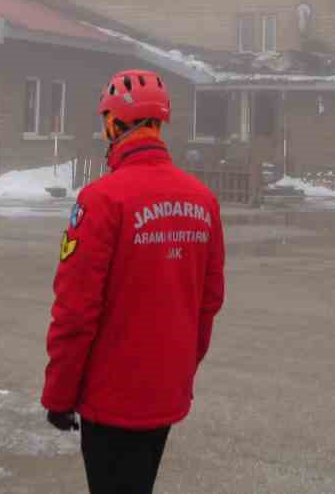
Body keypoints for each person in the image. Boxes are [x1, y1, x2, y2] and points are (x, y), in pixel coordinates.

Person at [42, 68, 226, 494]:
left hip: (109, 399)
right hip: (164, 395)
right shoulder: (203, 200)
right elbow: (209, 300)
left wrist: (59, 394)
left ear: (112, 123)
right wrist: (179, 371)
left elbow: (75, 311)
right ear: (159, 122)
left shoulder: (101, 201)